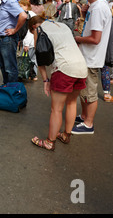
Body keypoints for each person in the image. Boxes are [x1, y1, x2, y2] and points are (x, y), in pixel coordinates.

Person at [30, 15, 88, 151]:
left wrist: (45, 80)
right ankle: (66, 135)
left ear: (33, 27)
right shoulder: (62, 25)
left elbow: (40, 58)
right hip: (81, 67)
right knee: (72, 103)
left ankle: (50, 142)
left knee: (56, 109)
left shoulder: (39, 30)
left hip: (64, 69)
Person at [73, 0, 112, 135]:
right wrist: (83, 15)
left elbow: (95, 39)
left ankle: (89, 124)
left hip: (91, 58)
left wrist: (77, 39)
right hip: (88, 56)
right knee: (84, 91)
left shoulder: (98, 9)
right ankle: (84, 116)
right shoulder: (94, 6)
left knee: (90, 92)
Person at [0, 0, 28, 84]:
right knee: (4, 67)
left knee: (10, 68)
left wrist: (15, 30)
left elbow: (23, 16)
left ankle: (11, 92)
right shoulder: (5, 1)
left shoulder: (10, 1)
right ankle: (6, 90)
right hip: (2, 39)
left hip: (7, 40)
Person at [19, 0, 38, 80]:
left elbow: (30, 31)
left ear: (26, 6)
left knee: (25, 59)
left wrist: (26, 44)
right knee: (33, 59)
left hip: (30, 42)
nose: (19, 8)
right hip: (34, 42)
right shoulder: (31, 14)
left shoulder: (29, 15)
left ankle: (24, 74)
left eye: (20, 6)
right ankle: (33, 75)